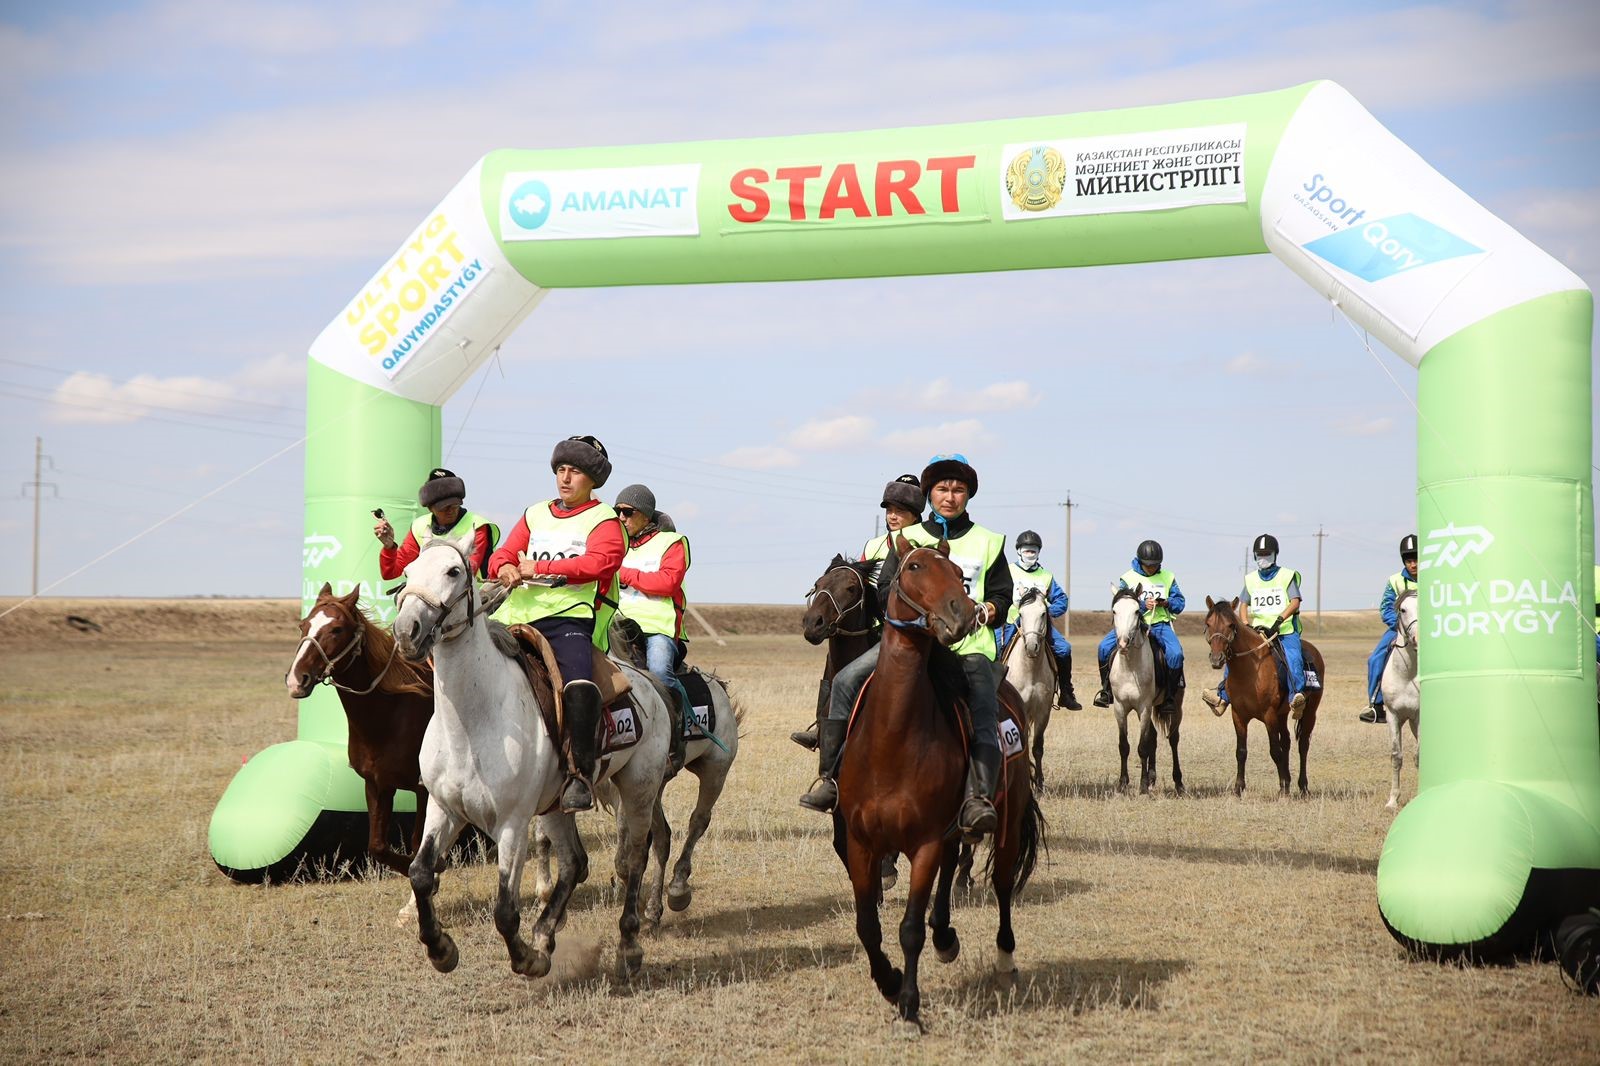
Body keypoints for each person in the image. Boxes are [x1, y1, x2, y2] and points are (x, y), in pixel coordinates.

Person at [800, 453, 1012, 842]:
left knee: (983, 708)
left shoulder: (989, 541)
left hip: (968, 649)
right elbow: (883, 592)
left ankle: (977, 799)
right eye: (943, 489)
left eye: (959, 489)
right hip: (907, 646)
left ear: (968, 495)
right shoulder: (908, 540)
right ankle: (830, 779)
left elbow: (1002, 596)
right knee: (845, 680)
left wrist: (986, 610)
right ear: (930, 495)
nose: (950, 496)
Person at [487, 435, 624, 813]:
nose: (565, 478)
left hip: (566, 619)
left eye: (574, 471)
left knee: (579, 685)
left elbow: (601, 563)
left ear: (592, 479)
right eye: (561, 469)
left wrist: (540, 567)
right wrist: (505, 566)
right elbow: (503, 552)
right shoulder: (535, 513)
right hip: (513, 615)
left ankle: (579, 774)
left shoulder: (604, 519)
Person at [791, 474, 921, 751]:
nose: (893, 516)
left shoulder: (923, 544)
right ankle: (823, 727)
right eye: (889, 510)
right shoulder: (873, 546)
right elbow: (859, 587)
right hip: (874, 624)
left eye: (900, 511)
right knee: (836, 653)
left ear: (915, 515)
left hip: (909, 627)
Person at [614, 483, 692, 776]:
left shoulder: (672, 543)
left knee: (659, 672)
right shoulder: (616, 543)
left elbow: (667, 583)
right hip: (617, 623)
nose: (621, 517)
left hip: (657, 626)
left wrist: (625, 574)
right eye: (617, 511)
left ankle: (676, 733)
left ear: (646, 515)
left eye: (628, 512)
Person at [1203, 533, 1306, 716]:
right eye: (1260, 554)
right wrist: (1245, 623)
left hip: (1283, 630)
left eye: (1267, 554)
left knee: (1294, 658)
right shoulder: (1251, 579)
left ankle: (1295, 698)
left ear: (1275, 555)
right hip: (1259, 632)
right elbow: (1243, 604)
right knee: (1233, 654)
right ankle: (1223, 697)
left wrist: (1279, 620)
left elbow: (1295, 601)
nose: (1263, 558)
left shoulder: (1286, 576)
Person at [1092, 539, 1185, 712]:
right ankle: (1106, 691)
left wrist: (1166, 603)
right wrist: (1142, 605)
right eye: (1147, 565)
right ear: (1140, 561)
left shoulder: (1168, 577)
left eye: (1154, 565)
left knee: (1176, 654)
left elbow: (1180, 602)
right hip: (1133, 625)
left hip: (1160, 624)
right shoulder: (1127, 578)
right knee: (1103, 648)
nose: (1151, 568)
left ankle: (1170, 697)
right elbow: (1120, 601)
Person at [999, 530, 1082, 710]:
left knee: (1064, 649)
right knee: (995, 648)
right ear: (1019, 551)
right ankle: (993, 693)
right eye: (1026, 550)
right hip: (1012, 621)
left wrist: (1044, 612)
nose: (1030, 553)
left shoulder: (1046, 576)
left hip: (1038, 624)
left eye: (1033, 550)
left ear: (1038, 552)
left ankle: (1066, 693)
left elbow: (1061, 600)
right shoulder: (1007, 572)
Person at [374, 467, 499, 580]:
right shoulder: (419, 526)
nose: (451, 510)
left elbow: (467, 573)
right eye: (444, 507)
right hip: (429, 593)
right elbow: (390, 573)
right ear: (430, 508)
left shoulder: (477, 525)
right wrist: (389, 547)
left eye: (454, 505)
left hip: (474, 596)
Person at [1360, 534, 1419, 724]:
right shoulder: (1395, 581)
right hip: (1400, 629)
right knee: (1375, 658)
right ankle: (1376, 705)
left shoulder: (1433, 579)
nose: (1413, 564)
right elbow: (1386, 608)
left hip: (1429, 631)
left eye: (1416, 560)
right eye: (1409, 561)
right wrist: (1401, 627)